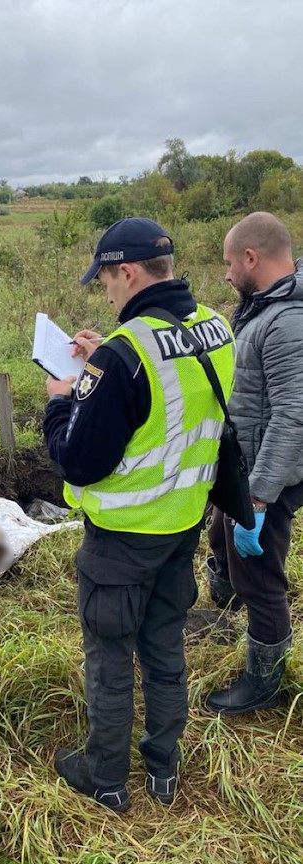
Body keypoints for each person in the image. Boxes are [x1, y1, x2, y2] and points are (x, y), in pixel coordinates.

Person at [43, 217, 235, 812]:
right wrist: (106, 361)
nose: (104, 290)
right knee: (164, 647)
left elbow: (78, 461)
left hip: (122, 541)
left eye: (103, 278)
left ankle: (104, 776)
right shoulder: (215, 329)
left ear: (126, 271)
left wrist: (62, 399)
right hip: (183, 526)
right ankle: (162, 769)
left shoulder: (125, 356)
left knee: (108, 658)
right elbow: (173, 399)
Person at [205, 212, 303, 715]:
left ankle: (264, 681)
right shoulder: (266, 304)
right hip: (245, 467)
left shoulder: (288, 321)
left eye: (228, 263)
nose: (224, 274)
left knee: (260, 576)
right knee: (219, 536)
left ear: (251, 258)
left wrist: (261, 497)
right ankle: (223, 612)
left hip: (267, 477)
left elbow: (292, 416)